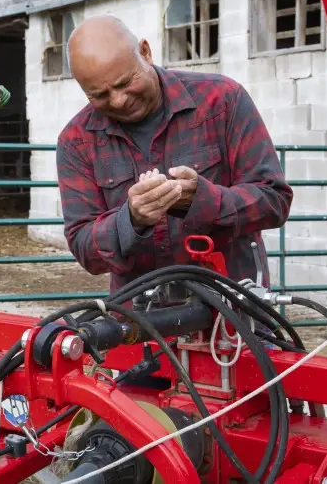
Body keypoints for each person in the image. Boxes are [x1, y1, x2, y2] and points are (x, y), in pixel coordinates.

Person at [55, 15, 292, 300]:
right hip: (140, 321)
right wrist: (131, 220)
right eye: (99, 95)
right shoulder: (76, 141)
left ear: (145, 52)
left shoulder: (222, 101)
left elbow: (274, 200)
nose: (118, 100)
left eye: (124, 82)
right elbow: (84, 248)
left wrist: (203, 200)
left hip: (232, 308)